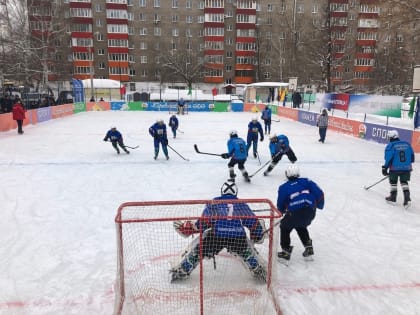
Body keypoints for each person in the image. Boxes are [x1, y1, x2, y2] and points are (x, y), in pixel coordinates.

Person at [171, 180, 267, 282]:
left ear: (222, 191)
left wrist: (188, 228)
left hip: (217, 236)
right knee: (246, 250)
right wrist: (258, 234)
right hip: (238, 237)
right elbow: (253, 223)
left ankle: (183, 270)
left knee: (199, 250)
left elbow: (203, 223)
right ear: (236, 192)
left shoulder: (214, 203)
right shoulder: (241, 204)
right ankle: (258, 270)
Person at [276, 165, 325, 262]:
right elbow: (320, 193)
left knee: (284, 227)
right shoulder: (307, 181)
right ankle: (308, 247)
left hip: (295, 212)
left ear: (287, 174)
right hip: (310, 211)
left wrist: (281, 212)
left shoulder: (283, 187)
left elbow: (281, 203)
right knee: (301, 225)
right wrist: (319, 205)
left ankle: (286, 252)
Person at [382, 130, 415, 208]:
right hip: (407, 168)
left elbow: (388, 158)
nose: (389, 139)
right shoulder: (407, 144)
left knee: (393, 181)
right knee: (404, 182)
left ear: (392, 137)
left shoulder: (391, 146)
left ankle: (393, 198)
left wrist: (385, 167)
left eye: (389, 137)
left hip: (395, 168)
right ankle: (407, 198)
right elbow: (412, 157)